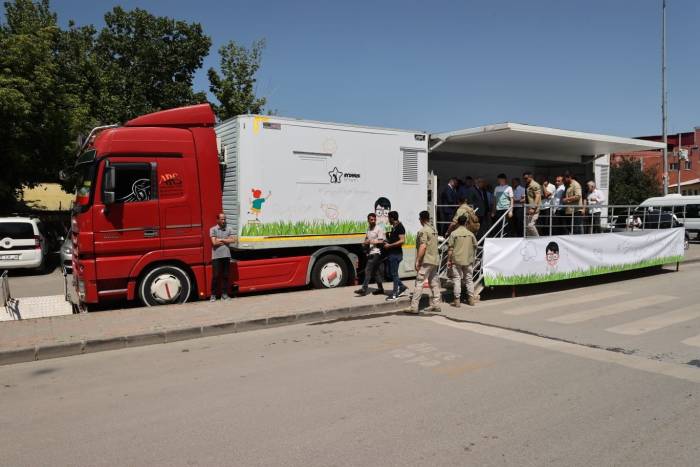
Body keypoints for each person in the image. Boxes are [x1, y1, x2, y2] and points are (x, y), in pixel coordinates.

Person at [409, 211, 442, 314]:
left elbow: (423, 246)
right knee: (433, 282)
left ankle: (414, 307)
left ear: (421, 219)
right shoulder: (434, 230)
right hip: (435, 260)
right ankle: (436, 304)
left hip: (426, 260)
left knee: (419, 282)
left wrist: (418, 260)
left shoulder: (423, 231)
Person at [447, 215, 478, 307]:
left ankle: (457, 301)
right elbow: (476, 245)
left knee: (457, 279)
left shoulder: (453, 234)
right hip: (468, 260)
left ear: (458, 222)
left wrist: (449, 260)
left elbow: (450, 249)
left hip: (456, 260)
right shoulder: (470, 234)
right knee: (469, 279)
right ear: (466, 222)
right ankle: (471, 300)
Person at [355, 213, 386, 296]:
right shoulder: (368, 228)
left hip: (376, 253)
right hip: (370, 252)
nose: (373, 221)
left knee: (367, 270)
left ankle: (364, 289)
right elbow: (367, 238)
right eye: (371, 219)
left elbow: (381, 241)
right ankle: (380, 289)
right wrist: (365, 244)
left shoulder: (379, 229)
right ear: (368, 220)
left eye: (374, 219)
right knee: (375, 272)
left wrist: (371, 241)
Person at [210, 212, 237, 301]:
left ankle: (224, 295)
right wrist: (226, 241)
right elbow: (214, 243)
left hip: (226, 255)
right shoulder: (213, 229)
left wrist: (220, 239)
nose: (224, 221)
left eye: (224, 219)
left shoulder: (229, 229)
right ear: (217, 220)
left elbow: (233, 240)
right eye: (222, 219)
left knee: (225, 276)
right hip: (216, 256)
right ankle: (213, 295)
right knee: (216, 276)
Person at [384, 211, 408, 301]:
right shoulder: (394, 227)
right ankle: (401, 287)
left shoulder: (400, 227)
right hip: (391, 254)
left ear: (392, 218)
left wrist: (389, 245)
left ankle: (395, 294)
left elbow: (402, 241)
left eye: (388, 218)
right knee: (391, 273)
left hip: (396, 254)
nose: (388, 220)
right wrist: (387, 240)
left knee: (394, 274)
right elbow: (395, 239)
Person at [522, 172, 541, 237]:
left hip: (534, 208)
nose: (525, 180)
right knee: (526, 225)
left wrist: (533, 208)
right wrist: (524, 199)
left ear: (531, 177)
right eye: (524, 178)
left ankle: (537, 238)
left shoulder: (535, 185)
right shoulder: (527, 184)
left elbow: (537, 196)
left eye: (526, 178)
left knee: (530, 225)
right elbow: (530, 196)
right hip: (528, 207)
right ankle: (529, 238)